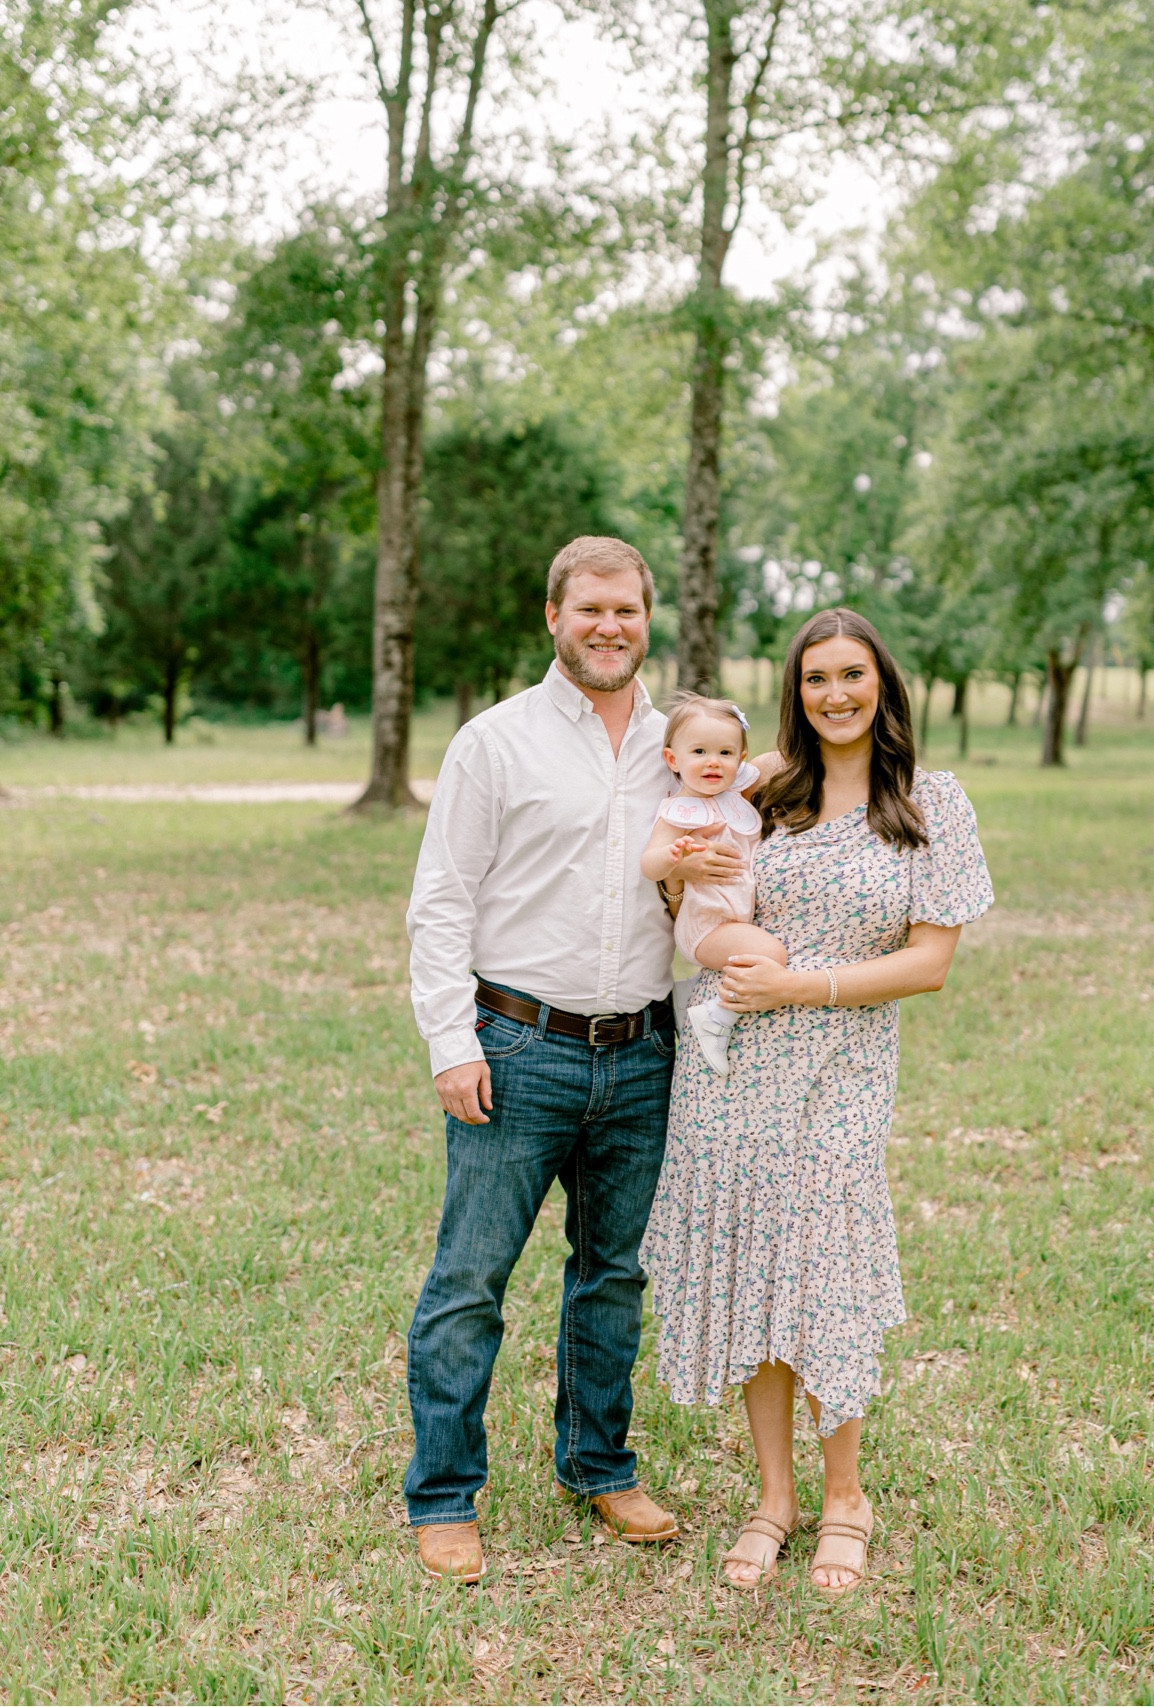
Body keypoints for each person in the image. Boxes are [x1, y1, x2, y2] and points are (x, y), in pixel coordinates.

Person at [403, 535, 742, 1583]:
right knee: (471, 1280)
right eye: (589, 608)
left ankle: (599, 1466)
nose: (609, 626)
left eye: (627, 611)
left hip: (643, 1054)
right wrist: (451, 1042)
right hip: (516, 1046)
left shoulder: (680, 749)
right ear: (552, 616)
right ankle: (445, 1494)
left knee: (613, 1276)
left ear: (649, 620)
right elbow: (442, 901)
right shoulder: (494, 742)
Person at [640, 606, 993, 1594]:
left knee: (823, 1271)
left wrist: (804, 986)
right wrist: (685, 881)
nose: (833, 694)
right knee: (757, 1271)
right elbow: (697, 903)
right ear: (793, 695)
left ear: (882, 682)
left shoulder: (931, 804)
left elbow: (929, 963)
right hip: (729, 1074)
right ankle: (773, 1499)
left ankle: (846, 1497)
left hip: (838, 1070)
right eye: (812, 679)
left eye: (850, 674)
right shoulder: (761, 790)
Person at [639, 693, 788, 1075]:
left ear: (740, 760)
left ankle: (691, 993)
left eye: (725, 753)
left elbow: (780, 762)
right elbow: (649, 864)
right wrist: (677, 857)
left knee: (766, 952)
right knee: (773, 955)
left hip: (733, 920)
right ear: (673, 759)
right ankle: (715, 1016)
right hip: (707, 926)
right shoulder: (680, 811)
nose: (712, 761)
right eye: (700, 751)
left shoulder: (736, 799)